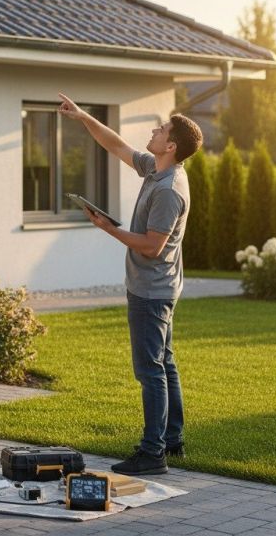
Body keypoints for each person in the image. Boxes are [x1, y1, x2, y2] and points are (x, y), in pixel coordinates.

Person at [57, 94, 203, 476]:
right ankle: (172, 439)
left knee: (150, 371)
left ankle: (153, 453)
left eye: (162, 130)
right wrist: (83, 115)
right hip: (158, 286)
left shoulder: (169, 188)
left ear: (171, 146)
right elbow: (116, 145)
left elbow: (153, 247)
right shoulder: (156, 169)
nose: (154, 132)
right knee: (164, 364)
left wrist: (110, 229)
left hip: (151, 290)